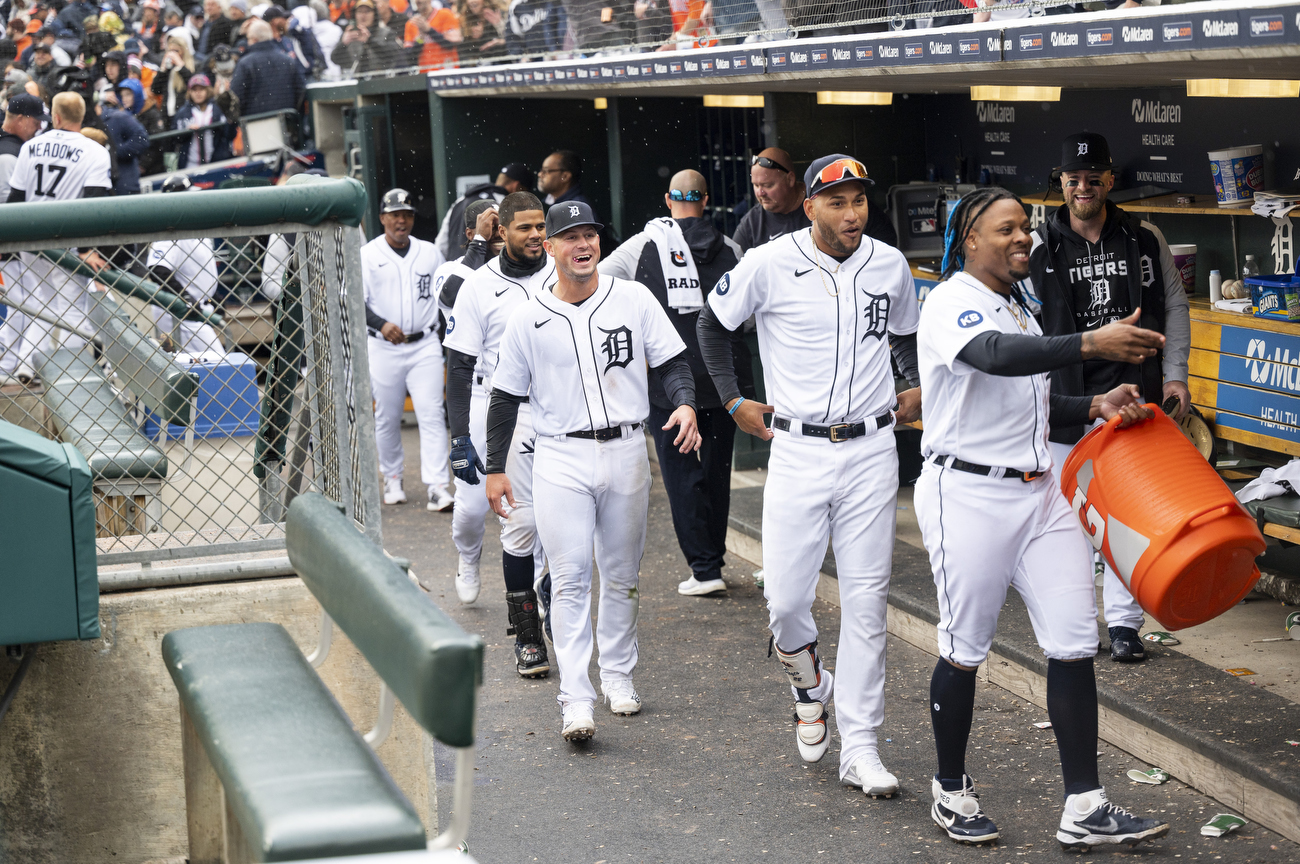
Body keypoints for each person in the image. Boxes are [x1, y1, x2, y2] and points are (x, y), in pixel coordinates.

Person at [914, 186, 1171, 849]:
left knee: (1074, 639)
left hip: (1041, 492)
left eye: (1025, 227)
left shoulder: (1019, 308)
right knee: (964, 647)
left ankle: (1085, 805)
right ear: (970, 239)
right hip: (967, 493)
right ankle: (950, 787)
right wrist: (1090, 342)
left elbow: (1028, 397)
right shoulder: (950, 302)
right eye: (1006, 229)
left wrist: (1091, 405)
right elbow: (993, 358)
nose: (1023, 236)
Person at [696, 154, 920, 797]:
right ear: (810, 206)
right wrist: (734, 399)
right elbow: (714, 325)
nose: (853, 213)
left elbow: (901, 335)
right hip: (797, 448)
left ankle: (864, 746)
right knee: (787, 603)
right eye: (839, 201)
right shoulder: (769, 261)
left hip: (873, 448)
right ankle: (809, 685)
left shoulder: (888, 263)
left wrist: (911, 383)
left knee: (868, 601)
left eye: (859, 200)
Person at [484, 200, 700, 741]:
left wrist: (685, 402)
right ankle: (575, 699)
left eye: (591, 235)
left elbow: (672, 361)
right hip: (559, 455)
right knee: (572, 576)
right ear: (550, 247)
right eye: (571, 236)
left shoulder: (631, 297)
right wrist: (494, 468)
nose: (584, 244)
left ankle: (619, 677)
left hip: (627, 449)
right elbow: (505, 398)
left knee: (623, 575)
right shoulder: (528, 313)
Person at [1026, 132, 1190, 664]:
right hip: (1069, 400)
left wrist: (1176, 377)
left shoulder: (1144, 238)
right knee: (1068, 521)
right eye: (1073, 178)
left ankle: (1123, 625)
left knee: (1127, 517)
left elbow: (1176, 305)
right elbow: (1025, 325)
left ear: (1109, 180)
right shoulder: (1038, 247)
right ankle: (1075, 624)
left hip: (1133, 396)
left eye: (1093, 176)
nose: (1083, 185)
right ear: (1063, 184)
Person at [599, 169, 753, 597]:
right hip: (726, 378)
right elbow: (750, 313)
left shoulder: (642, 245)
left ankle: (704, 570)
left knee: (682, 473)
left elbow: (597, 287)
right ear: (705, 200)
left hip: (669, 377)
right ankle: (714, 561)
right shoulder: (733, 248)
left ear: (669, 200)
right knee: (716, 472)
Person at [443, 191, 554, 677]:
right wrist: (457, 436)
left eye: (540, 227)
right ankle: (469, 559)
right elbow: (460, 367)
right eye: (523, 228)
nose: (535, 236)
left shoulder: (562, 269)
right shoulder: (475, 284)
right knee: (473, 512)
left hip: (556, 405)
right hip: (494, 407)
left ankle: (533, 621)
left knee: (538, 518)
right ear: (500, 232)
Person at [4, 92, 112, 385]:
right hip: (67, 242)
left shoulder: (31, 147)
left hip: (31, 241)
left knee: (41, 305)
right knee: (73, 312)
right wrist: (89, 249)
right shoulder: (95, 151)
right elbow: (94, 203)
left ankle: (26, 365)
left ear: (55, 117)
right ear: (81, 117)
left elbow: (15, 199)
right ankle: (70, 380)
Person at [362, 188, 454, 511]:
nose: (401, 220)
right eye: (395, 214)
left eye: (407, 214)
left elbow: (447, 297)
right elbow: (353, 300)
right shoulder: (368, 254)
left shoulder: (430, 253)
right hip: (382, 347)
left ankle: (438, 486)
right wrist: (381, 323)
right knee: (387, 416)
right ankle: (393, 478)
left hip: (425, 344)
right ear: (383, 218)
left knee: (431, 413)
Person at [732, 147, 896, 254]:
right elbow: (735, 272)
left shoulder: (832, 204)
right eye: (756, 185)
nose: (761, 192)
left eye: (768, 185)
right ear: (809, 209)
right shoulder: (752, 223)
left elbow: (887, 247)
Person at [144, 173, 225, 355]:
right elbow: (157, 270)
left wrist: (213, 296)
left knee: (196, 368)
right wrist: (185, 297)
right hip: (180, 312)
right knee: (221, 364)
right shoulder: (171, 230)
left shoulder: (193, 226)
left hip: (195, 309)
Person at [0, 94, 45, 386]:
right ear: (20, 119)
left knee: (25, 306)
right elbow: (8, 203)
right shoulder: (8, 152)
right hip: (10, 245)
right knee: (24, 306)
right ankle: (8, 368)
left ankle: (11, 366)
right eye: (36, 121)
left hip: (12, 246)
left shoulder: (11, 146)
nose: (39, 126)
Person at [434, 161, 532, 262]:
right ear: (516, 186)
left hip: (457, 269)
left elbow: (441, 245)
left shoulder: (459, 201)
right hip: (486, 270)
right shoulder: (505, 204)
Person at [228, 18, 306, 117]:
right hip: (287, 122)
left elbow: (236, 97)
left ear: (254, 39)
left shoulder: (245, 63)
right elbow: (301, 91)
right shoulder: (288, 61)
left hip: (255, 124)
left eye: (248, 38)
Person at [96, 81, 150, 195]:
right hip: (106, 185)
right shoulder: (94, 121)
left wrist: (114, 152)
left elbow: (142, 140)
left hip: (125, 184)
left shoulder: (119, 117)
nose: (125, 99)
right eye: (122, 95)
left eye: (128, 94)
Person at [171, 73, 234, 168]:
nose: (198, 93)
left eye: (201, 89)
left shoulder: (216, 109)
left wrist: (231, 119)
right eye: (194, 90)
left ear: (207, 90)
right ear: (189, 92)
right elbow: (174, 138)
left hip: (215, 162)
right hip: (190, 164)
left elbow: (228, 134)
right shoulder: (183, 113)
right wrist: (187, 131)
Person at [331, 0, 404, 74]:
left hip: (381, 78)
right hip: (356, 79)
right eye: (359, 11)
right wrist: (343, 44)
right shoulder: (350, 35)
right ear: (354, 14)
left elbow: (394, 55)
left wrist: (370, 40)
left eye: (367, 11)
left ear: (374, 14)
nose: (363, 15)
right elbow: (335, 60)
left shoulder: (386, 32)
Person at [150, 29, 197, 126]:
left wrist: (180, 65)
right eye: (170, 51)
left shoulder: (193, 66)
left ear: (183, 51)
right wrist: (163, 69)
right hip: (167, 117)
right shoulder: (168, 70)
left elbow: (193, 84)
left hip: (185, 115)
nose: (173, 54)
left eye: (176, 51)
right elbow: (155, 89)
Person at [404, 0, 461, 71]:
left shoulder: (446, 14)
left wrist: (429, 30)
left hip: (447, 71)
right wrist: (420, 39)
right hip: (425, 74)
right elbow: (410, 58)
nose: (418, 1)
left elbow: (451, 45)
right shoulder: (411, 24)